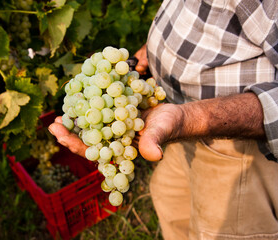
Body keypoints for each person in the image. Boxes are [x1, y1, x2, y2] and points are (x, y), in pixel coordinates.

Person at [49, 0, 278, 239]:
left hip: (242, 148)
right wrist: (155, 49)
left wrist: (190, 118)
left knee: (222, 230)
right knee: (168, 198)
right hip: (181, 124)